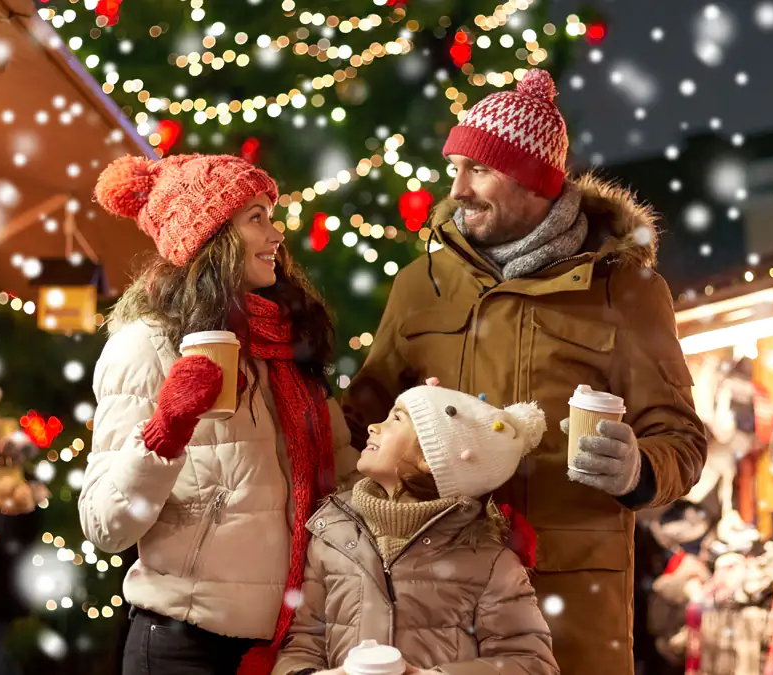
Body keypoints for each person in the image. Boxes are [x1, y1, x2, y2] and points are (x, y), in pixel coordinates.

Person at [342, 69, 707, 675]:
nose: (456, 189)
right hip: (437, 599)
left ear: (535, 180)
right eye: (454, 167)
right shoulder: (419, 286)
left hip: (566, 600)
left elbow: (683, 441)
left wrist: (638, 469)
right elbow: (361, 423)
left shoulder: (626, 291)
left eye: (478, 170)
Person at [80, 154, 358, 675]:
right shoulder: (146, 347)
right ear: (210, 237)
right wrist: (167, 430)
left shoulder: (287, 340)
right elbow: (104, 525)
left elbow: (344, 482)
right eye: (256, 217)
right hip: (185, 647)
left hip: (295, 644)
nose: (276, 235)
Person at [273, 381, 558, 675]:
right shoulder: (332, 535)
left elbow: (530, 662)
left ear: (429, 457)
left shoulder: (489, 562)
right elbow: (303, 645)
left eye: (395, 418)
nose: (372, 426)